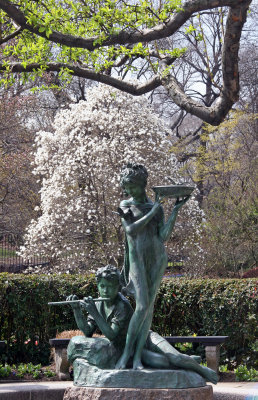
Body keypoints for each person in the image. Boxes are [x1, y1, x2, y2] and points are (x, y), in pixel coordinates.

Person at [66, 265, 218, 384]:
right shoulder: (98, 304)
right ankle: (189, 359)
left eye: (110, 286)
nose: (105, 290)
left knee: (175, 359)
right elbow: (87, 331)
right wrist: (76, 311)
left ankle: (202, 370)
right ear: (98, 286)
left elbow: (111, 334)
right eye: (102, 286)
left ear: (118, 287)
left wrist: (96, 314)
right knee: (164, 363)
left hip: (145, 339)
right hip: (130, 350)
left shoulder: (122, 306)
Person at [116, 164, 190, 370]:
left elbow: (163, 236)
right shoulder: (125, 205)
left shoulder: (155, 206)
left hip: (157, 259)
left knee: (148, 310)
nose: (129, 190)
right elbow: (130, 230)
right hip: (137, 260)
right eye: (127, 186)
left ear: (143, 184)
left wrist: (174, 210)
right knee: (141, 306)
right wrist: (153, 211)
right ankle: (126, 355)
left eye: (133, 186)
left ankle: (138, 359)